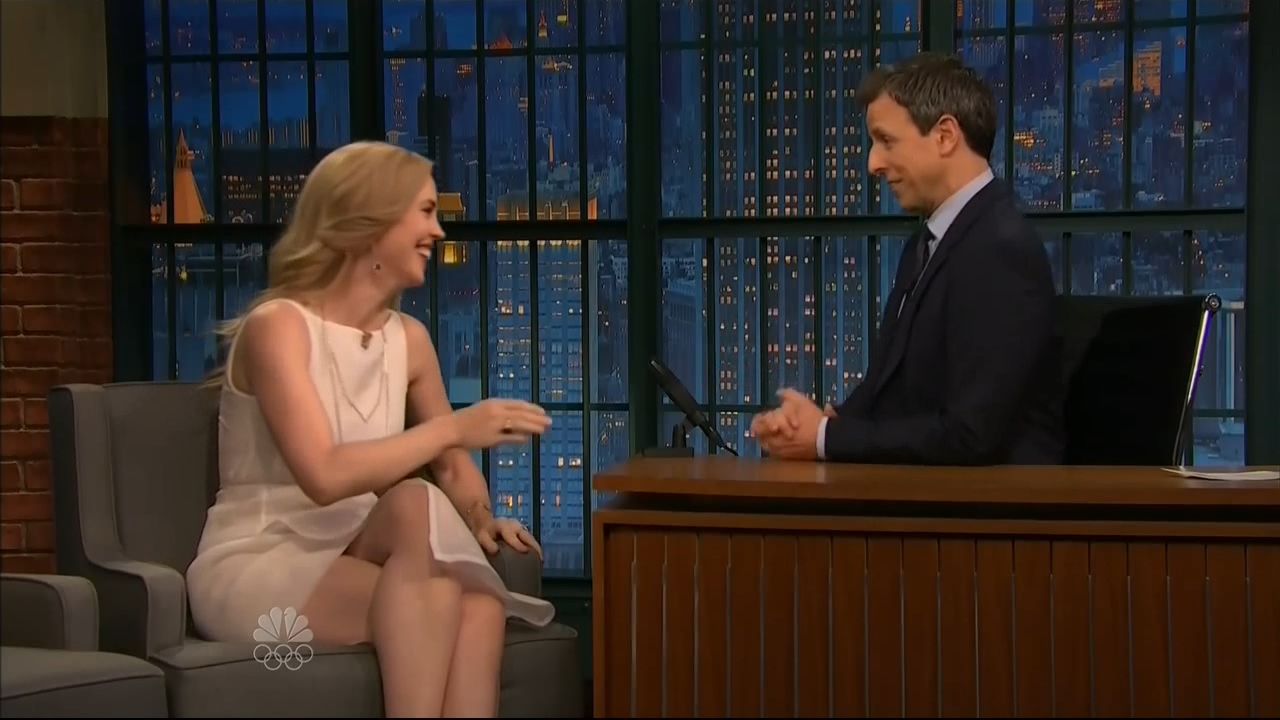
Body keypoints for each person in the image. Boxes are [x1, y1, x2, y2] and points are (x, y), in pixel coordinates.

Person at [185, 140, 556, 718]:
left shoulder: (409, 340)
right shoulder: (277, 328)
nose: (437, 232)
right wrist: (456, 427)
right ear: (370, 224)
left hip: (352, 544)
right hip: (262, 558)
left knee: (455, 565)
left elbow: (452, 468)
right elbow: (324, 475)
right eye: (425, 212)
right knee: (445, 587)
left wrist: (480, 518)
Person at [752, 53, 1064, 466]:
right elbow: (887, 390)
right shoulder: (927, 243)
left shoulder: (999, 249)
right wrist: (820, 424)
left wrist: (827, 438)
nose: (872, 164)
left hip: (989, 502)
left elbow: (970, 434)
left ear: (945, 136)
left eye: (887, 141)